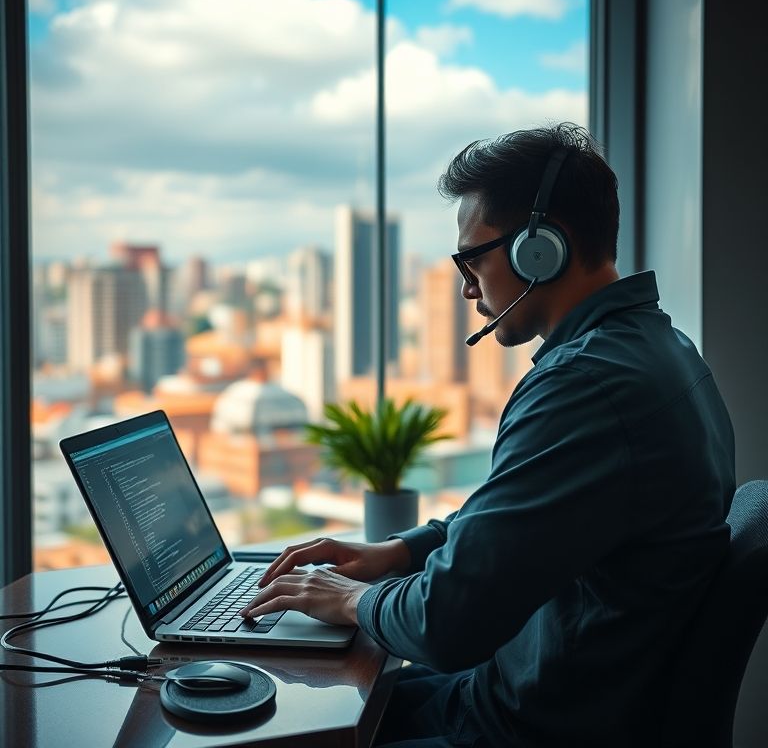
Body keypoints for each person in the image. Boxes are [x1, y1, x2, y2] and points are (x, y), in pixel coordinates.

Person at [240, 123, 735, 747]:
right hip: (523, 693)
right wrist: (396, 553)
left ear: (539, 249)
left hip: (529, 729)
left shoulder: (586, 385)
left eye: (471, 258)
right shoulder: (658, 349)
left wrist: (343, 599)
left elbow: (447, 624)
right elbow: (518, 517)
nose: (466, 284)